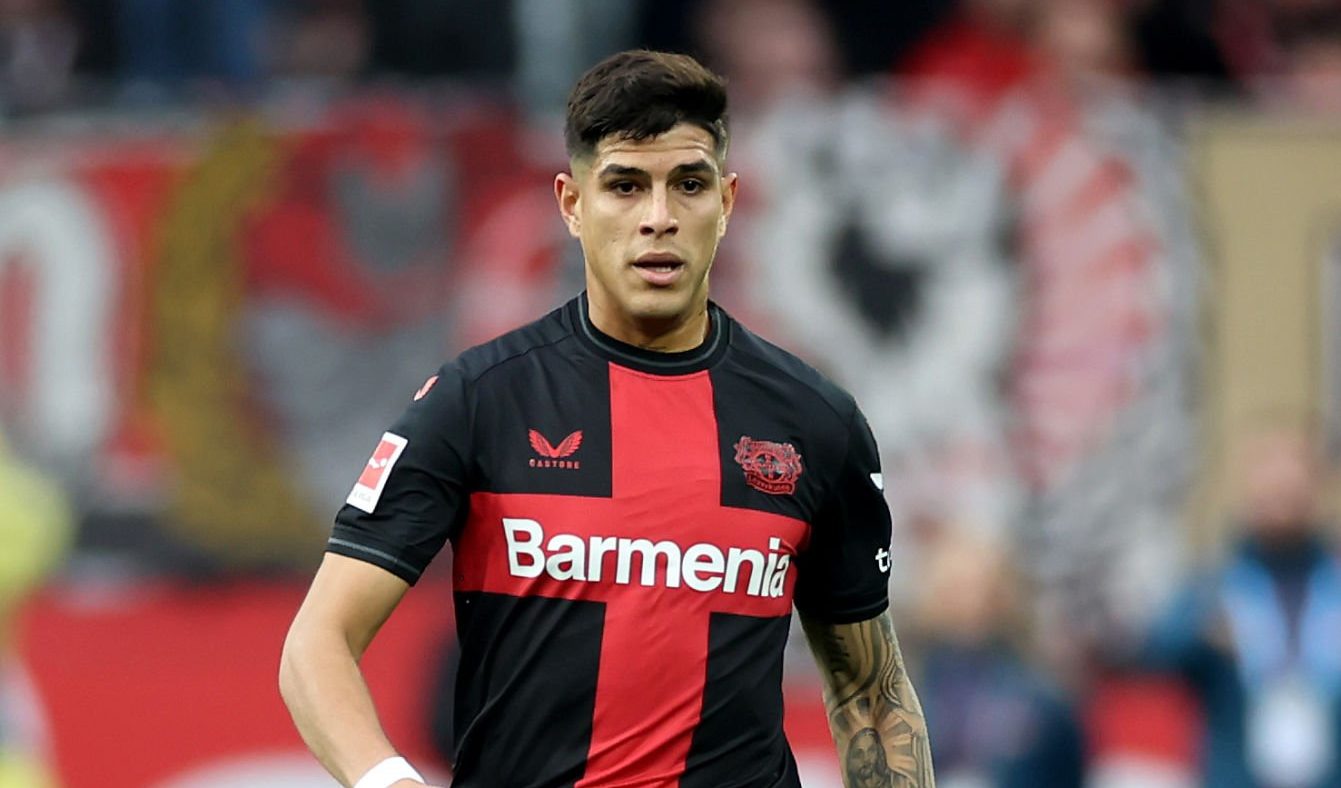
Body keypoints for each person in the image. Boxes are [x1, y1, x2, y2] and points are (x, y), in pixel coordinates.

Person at [280, 49, 934, 787]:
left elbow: (870, 695)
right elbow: (317, 644)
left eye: (688, 185)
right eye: (625, 186)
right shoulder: (480, 399)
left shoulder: (814, 422)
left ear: (726, 202)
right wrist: (389, 782)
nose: (659, 218)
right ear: (571, 204)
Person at [1145, 423, 1341, 788]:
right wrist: (1201, 630)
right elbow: (1155, 654)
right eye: (1269, 476)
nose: (1281, 489)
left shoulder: (1333, 580)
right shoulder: (1215, 584)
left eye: (1292, 477)